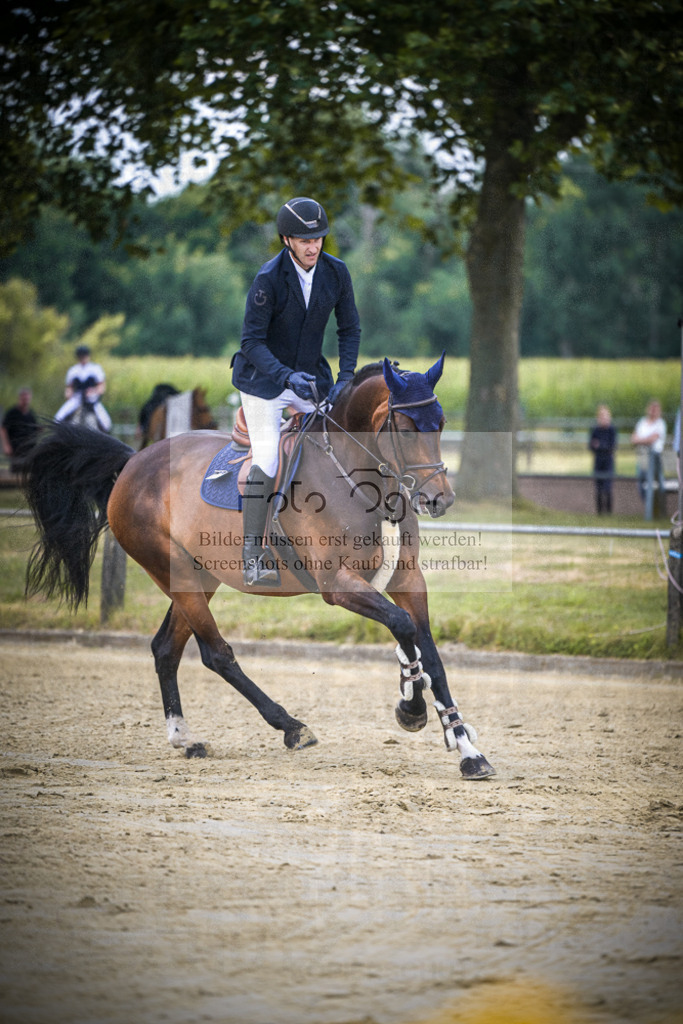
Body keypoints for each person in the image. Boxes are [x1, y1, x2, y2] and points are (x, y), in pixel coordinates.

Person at [231, 196, 361, 586]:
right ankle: (253, 554)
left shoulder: (336, 273)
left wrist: (346, 377)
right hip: (263, 382)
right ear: (287, 240)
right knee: (269, 456)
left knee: (340, 440)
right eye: (305, 240)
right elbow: (251, 342)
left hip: (311, 378)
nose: (314, 247)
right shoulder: (268, 279)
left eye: (319, 238)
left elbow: (349, 329)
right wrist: (287, 377)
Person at [55, 344, 112, 432]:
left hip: (91, 398)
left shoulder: (95, 369)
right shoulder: (73, 370)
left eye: (84, 355)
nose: (83, 358)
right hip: (77, 398)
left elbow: (101, 386)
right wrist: (68, 394)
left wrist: (94, 391)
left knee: (106, 423)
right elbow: (69, 387)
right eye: (81, 356)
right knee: (58, 418)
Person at [631, 400, 667, 512]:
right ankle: (650, 508)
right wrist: (645, 440)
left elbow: (653, 439)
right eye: (652, 408)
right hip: (643, 457)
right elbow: (634, 438)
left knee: (657, 483)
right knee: (641, 483)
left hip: (656, 459)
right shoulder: (642, 422)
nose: (653, 411)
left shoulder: (660, 423)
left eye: (655, 409)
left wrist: (640, 440)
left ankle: (658, 509)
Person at [1, 386, 38, 472]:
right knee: (16, 470)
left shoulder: (31, 414)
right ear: (20, 398)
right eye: (24, 397)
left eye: (27, 397)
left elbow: (35, 428)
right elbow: (3, 428)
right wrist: (6, 445)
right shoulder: (12, 413)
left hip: (29, 449)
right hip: (16, 447)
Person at [588, 404, 617, 514]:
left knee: (607, 487)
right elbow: (591, 445)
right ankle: (599, 512)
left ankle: (609, 511)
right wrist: (601, 446)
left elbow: (612, 446)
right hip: (598, 461)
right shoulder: (595, 430)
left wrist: (599, 445)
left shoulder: (611, 430)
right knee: (598, 487)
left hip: (608, 461)